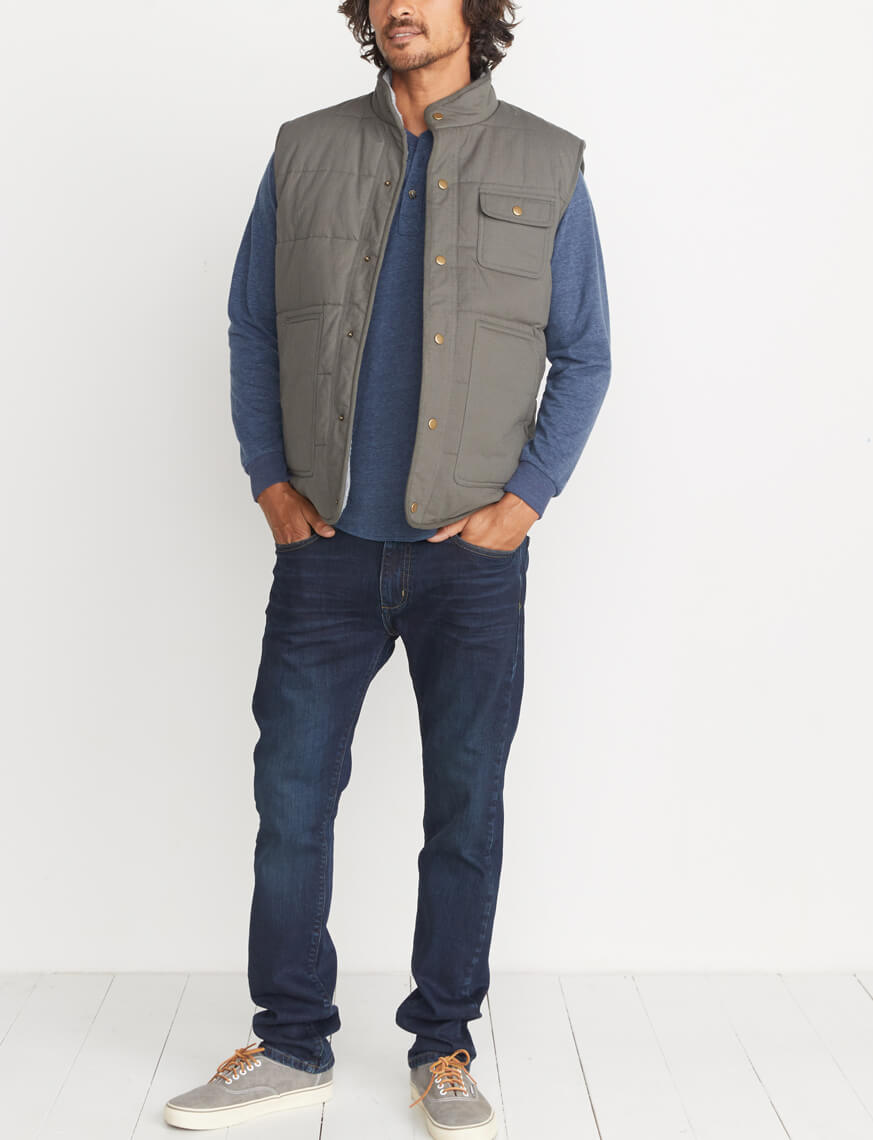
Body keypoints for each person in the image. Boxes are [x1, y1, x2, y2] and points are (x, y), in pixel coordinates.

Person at [164, 0, 610, 1135]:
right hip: (324, 550)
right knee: (290, 800)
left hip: (471, 559)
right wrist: (269, 480)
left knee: (464, 807)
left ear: (476, 11)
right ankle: (289, 1041)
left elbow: (585, 353)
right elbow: (253, 324)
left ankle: (443, 1046)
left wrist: (525, 502)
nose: (400, 5)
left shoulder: (547, 162)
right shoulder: (305, 149)